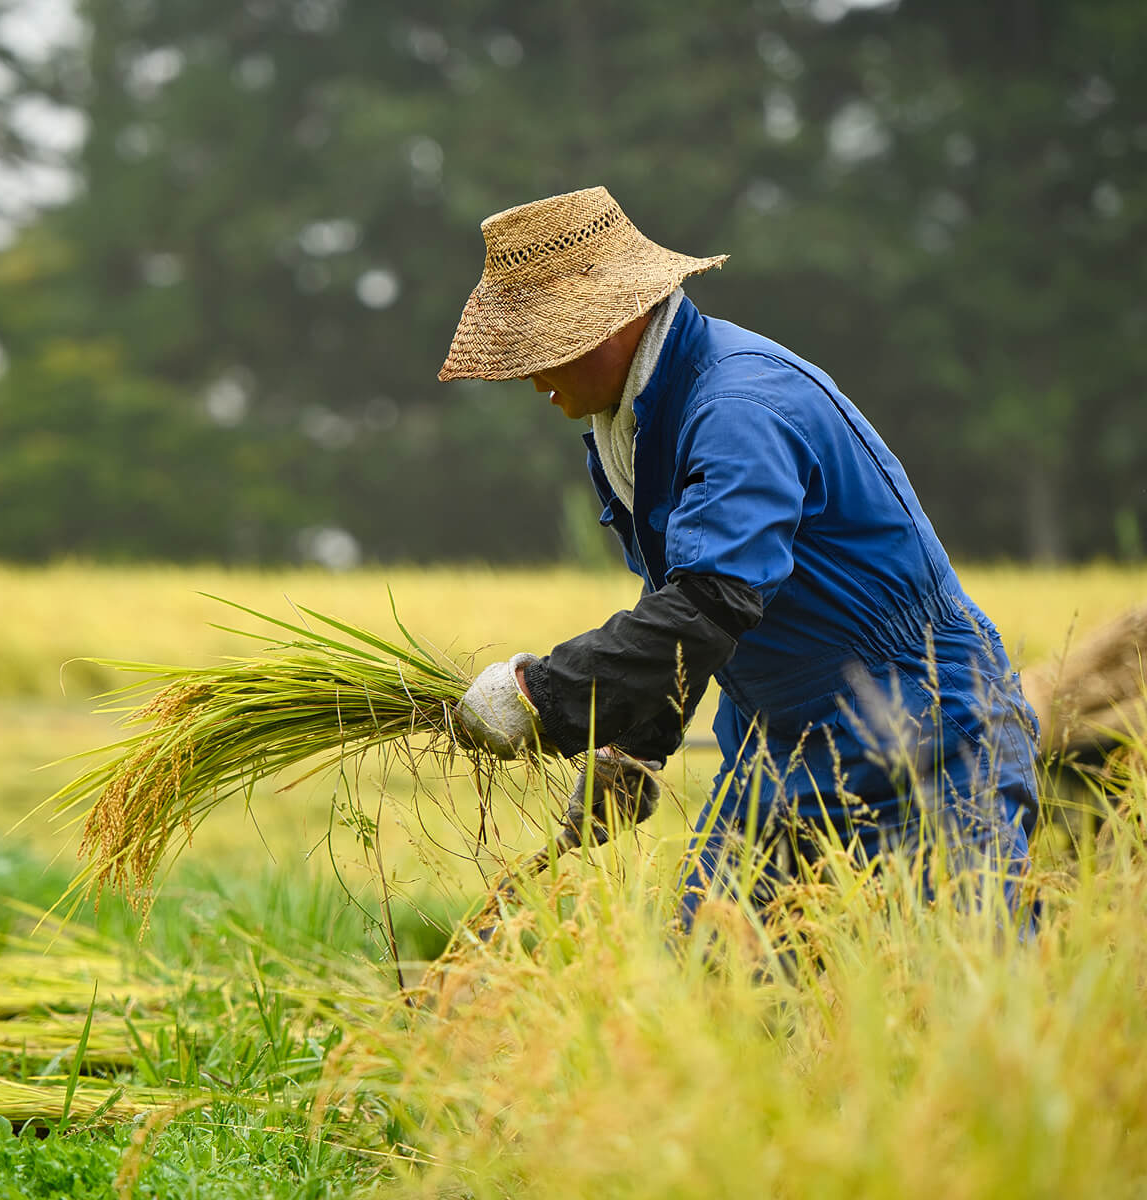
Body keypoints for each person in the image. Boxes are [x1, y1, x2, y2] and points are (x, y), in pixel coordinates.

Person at [440, 186, 1039, 923]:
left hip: (924, 734)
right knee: (716, 1001)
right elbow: (688, 608)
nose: (532, 378)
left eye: (543, 351)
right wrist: (634, 746)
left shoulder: (736, 409)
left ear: (616, 320)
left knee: (950, 1000)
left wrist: (544, 695)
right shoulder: (628, 430)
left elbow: (713, 600)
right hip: (777, 746)